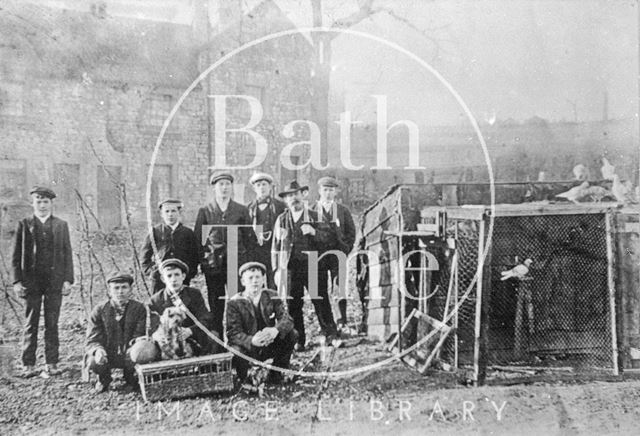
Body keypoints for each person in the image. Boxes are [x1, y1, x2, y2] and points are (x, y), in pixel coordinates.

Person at [12, 186, 74, 377]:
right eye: (38, 201)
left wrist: (67, 280)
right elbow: (16, 256)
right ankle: (28, 364)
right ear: (33, 203)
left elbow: (67, 253)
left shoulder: (61, 225)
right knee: (31, 322)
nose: (42, 205)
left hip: (54, 281)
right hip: (32, 282)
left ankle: (52, 363)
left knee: (52, 322)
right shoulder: (24, 224)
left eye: (46, 201)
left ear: (51, 203)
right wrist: (17, 281)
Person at [272, 180, 340, 351]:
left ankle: (330, 335)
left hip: (313, 266)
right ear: (286, 200)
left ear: (303, 195)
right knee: (293, 304)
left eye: (296, 194)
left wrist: (314, 232)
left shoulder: (315, 216)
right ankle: (298, 339)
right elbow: (275, 247)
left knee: (321, 301)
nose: (293, 198)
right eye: (289, 196)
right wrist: (276, 269)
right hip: (290, 268)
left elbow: (330, 239)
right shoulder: (281, 219)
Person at [194, 171, 256, 335]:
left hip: (237, 265)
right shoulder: (205, 211)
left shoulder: (241, 210)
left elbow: (250, 239)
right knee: (216, 304)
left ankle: (240, 339)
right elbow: (199, 241)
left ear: (232, 187)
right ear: (214, 188)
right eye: (220, 184)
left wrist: (246, 264)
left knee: (238, 302)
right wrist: (205, 262)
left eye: (227, 184)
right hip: (214, 266)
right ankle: (218, 343)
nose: (224, 188)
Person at [225, 262, 297, 383]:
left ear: (263, 279)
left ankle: (276, 373)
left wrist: (276, 330)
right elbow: (233, 333)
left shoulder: (272, 295)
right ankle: (245, 378)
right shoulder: (234, 303)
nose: (255, 281)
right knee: (235, 349)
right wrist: (252, 340)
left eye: (258, 277)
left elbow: (287, 319)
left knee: (292, 334)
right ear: (243, 282)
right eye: (250, 278)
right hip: (249, 347)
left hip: (269, 343)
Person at [84, 273, 148, 393]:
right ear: (109, 291)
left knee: (140, 352)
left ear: (130, 290)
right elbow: (92, 339)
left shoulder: (139, 309)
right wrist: (98, 350)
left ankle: (131, 379)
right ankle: (104, 379)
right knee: (93, 360)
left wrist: (133, 348)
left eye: (124, 287)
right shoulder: (99, 310)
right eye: (116, 288)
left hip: (129, 352)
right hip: (108, 353)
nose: (120, 292)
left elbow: (140, 334)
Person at [311, 176, 356, 330]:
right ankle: (326, 323)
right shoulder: (311, 210)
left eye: (331, 190)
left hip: (338, 255)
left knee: (340, 288)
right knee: (321, 289)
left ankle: (341, 320)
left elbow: (351, 233)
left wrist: (345, 249)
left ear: (336, 192)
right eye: (325, 190)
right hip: (319, 257)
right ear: (319, 191)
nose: (328, 193)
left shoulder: (343, 211)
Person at [148, 258, 217, 354]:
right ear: (163, 279)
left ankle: (207, 368)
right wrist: (156, 335)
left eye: (177, 275)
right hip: (167, 342)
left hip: (192, 337)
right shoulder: (156, 300)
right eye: (169, 276)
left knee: (213, 336)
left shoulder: (194, 294)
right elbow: (150, 325)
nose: (173, 279)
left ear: (183, 276)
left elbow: (205, 318)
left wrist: (190, 331)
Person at [141, 198, 199, 293]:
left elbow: (194, 256)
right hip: (160, 278)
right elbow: (144, 256)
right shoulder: (155, 232)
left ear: (179, 212)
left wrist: (189, 273)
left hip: (181, 278)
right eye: (167, 211)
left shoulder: (187, 233)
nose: (170, 214)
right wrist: (152, 272)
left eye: (173, 211)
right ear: (161, 214)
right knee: (159, 304)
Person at [246, 172, 286, 290]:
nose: (261, 188)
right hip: (256, 250)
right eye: (258, 185)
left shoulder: (280, 206)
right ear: (254, 188)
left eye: (264, 184)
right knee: (256, 282)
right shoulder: (248, 208)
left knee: (274, 283)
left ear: (270, 187)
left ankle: (274, 306)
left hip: (274, 250)